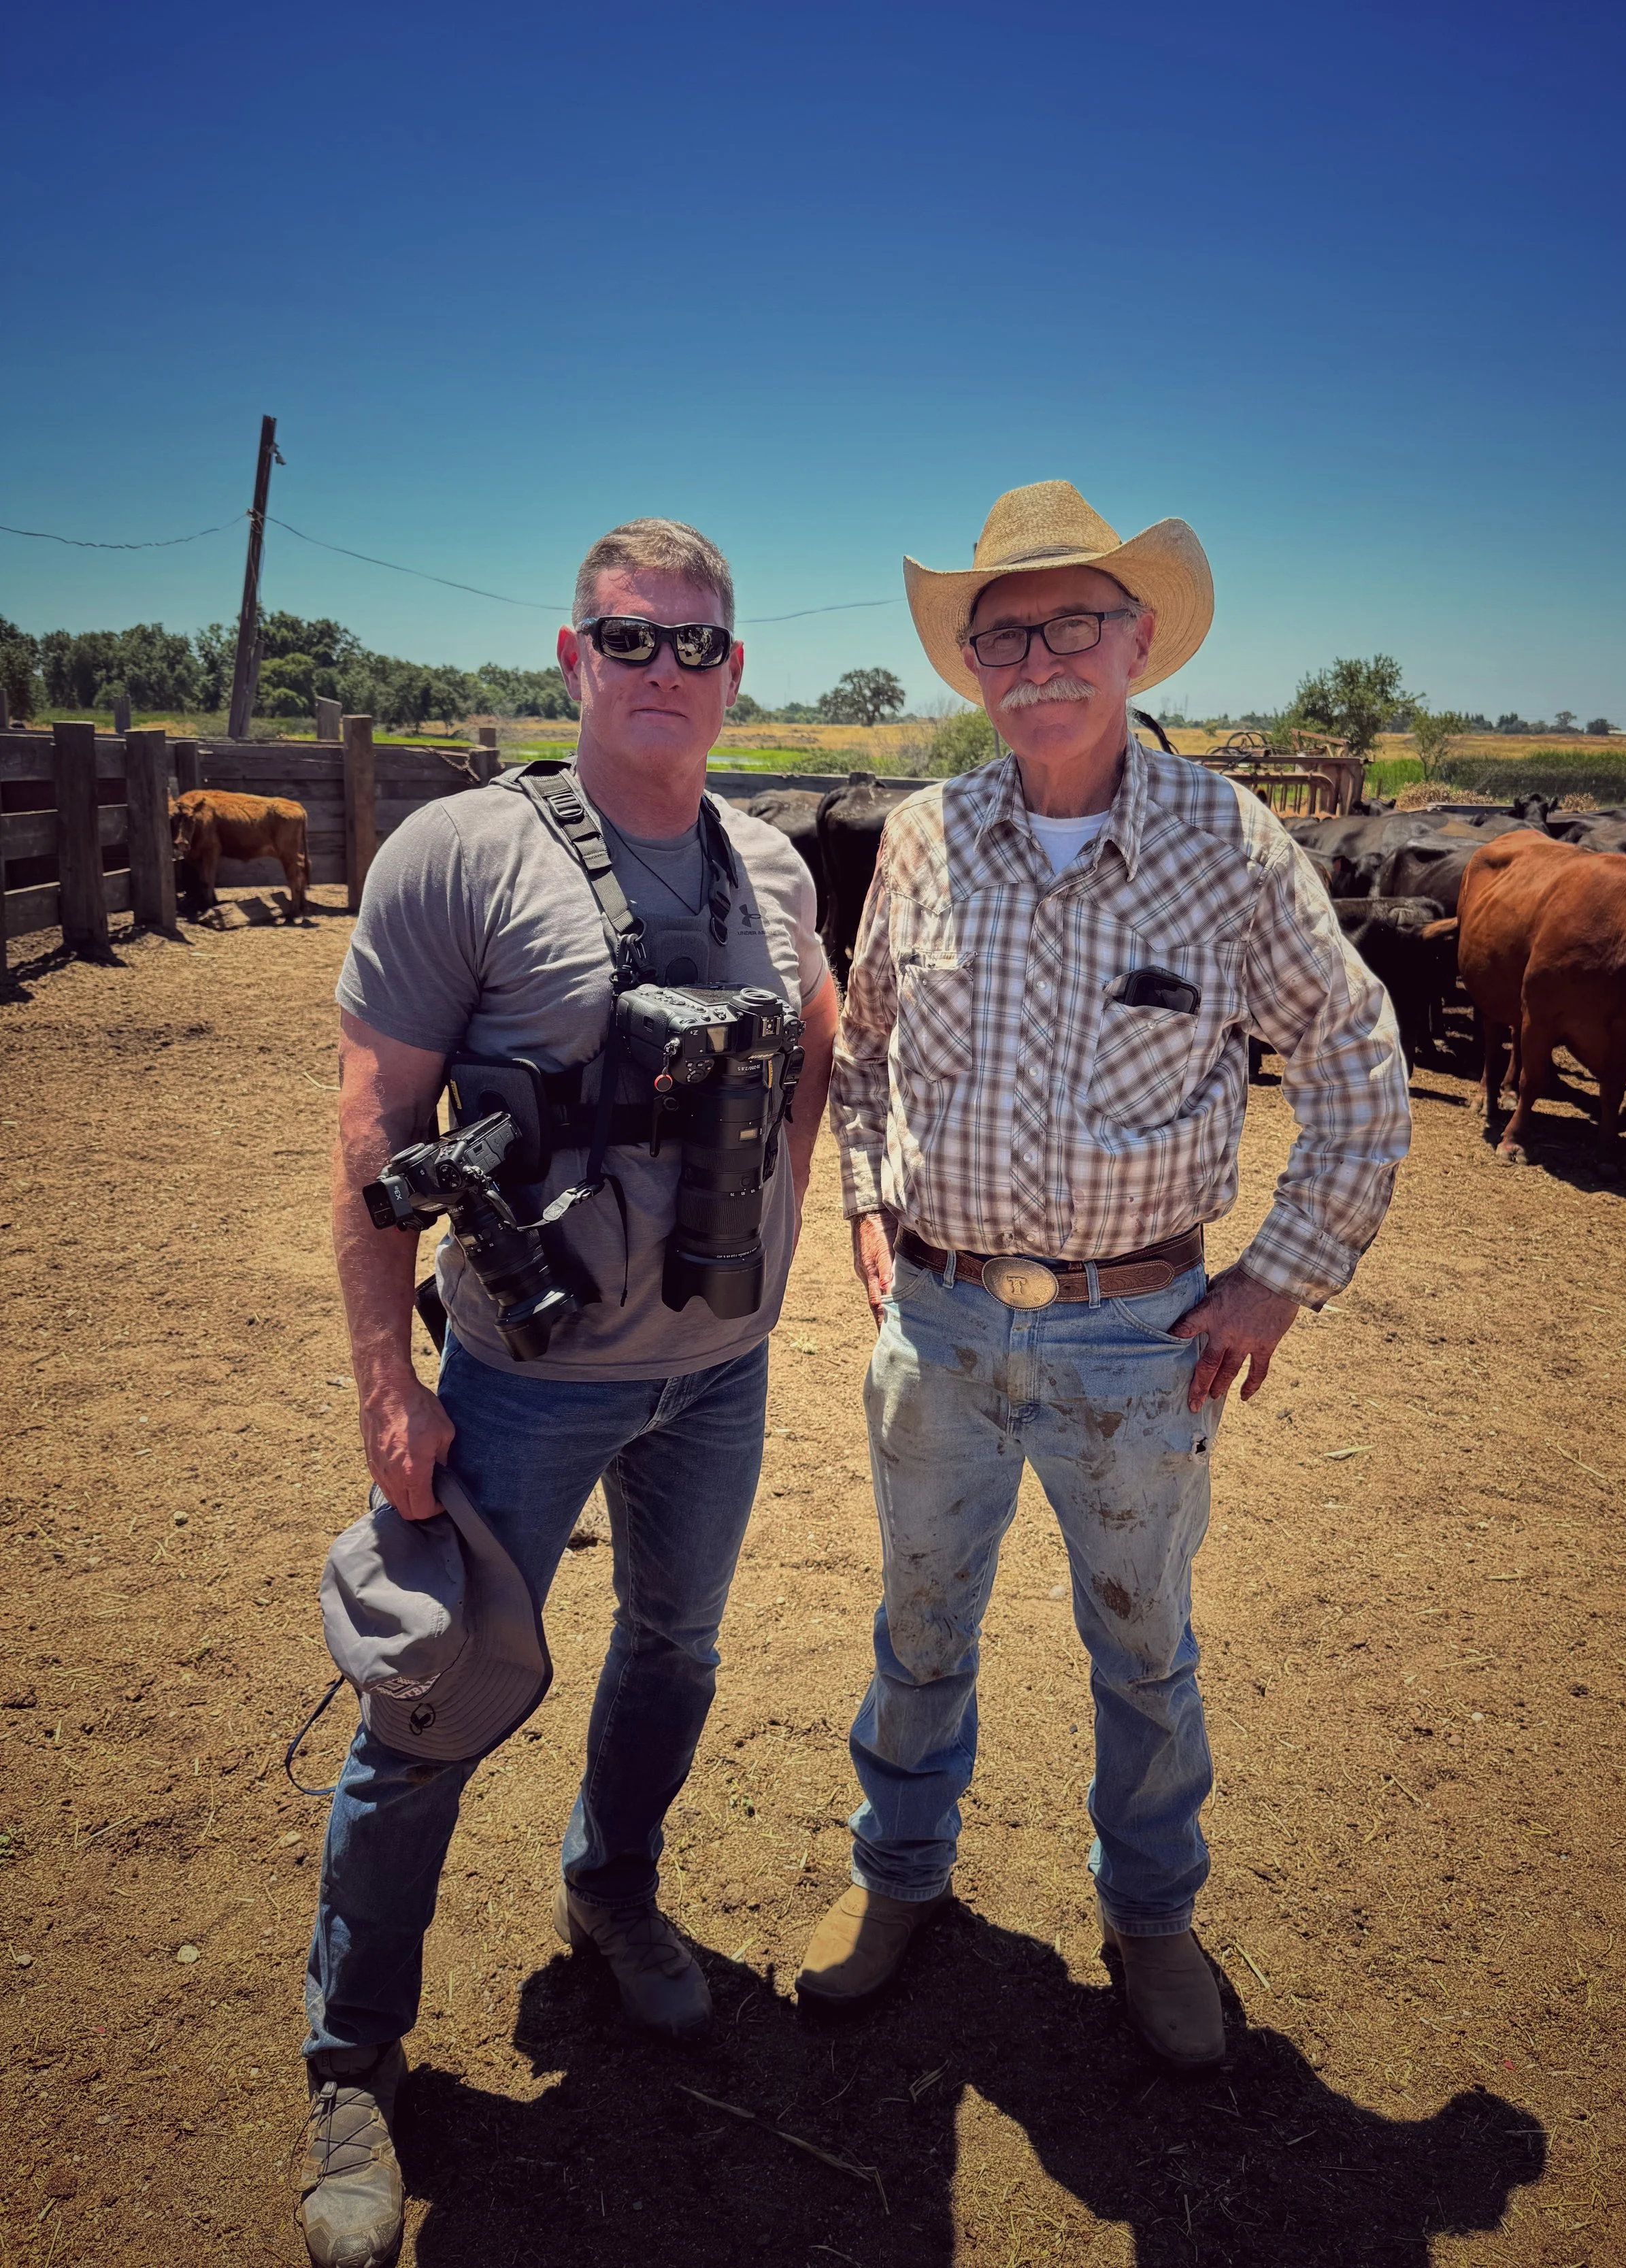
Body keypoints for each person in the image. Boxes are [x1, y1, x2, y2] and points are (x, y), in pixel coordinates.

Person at [797, 481, 1410, 2068]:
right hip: (936, 1315)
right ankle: (896, 1875)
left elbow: (1356, 1061)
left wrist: (1277, 1278)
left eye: (1073, 624)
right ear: (971, 665)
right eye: (1004, 634)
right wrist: (867, 1201)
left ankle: (1150, 1913)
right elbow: (864, 1051)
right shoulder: (924, 838)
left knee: (1142, 1645)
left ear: (1137, 642)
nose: (1040, 659)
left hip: (1139, 1332)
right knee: (917, 1621)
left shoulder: (1228, 845)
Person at [297, 519, 839, 2268]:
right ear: (569, 654)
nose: (660, 670)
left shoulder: (772, 866)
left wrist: (774, 1234)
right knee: (426, 1698)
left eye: (694, 644)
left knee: (675, 1648)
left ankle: (611, 1889)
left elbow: (818, 1037)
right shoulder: (461, 855)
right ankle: (352, 2057)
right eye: (627, 638)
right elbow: (374, 1129)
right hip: (521, 1383)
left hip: (717, 1374)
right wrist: (387, 1385)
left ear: (733, 669)